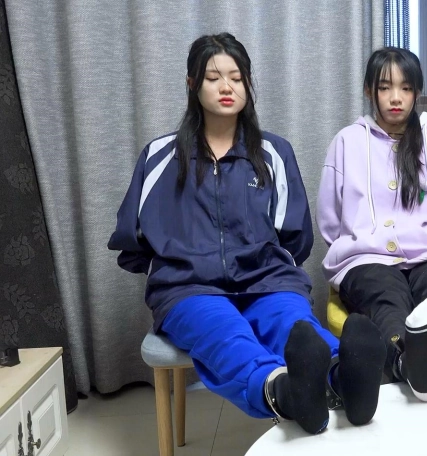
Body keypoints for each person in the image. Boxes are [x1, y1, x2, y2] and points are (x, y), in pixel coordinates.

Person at [108, 33, 386, 434]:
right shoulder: (160, 156)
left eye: (236, 78)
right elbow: (133, 238)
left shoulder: (274, 153)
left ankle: (346, 377)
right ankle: (283, 392)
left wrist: (268, 267)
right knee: (226, 335)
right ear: (192, 84)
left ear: (248, 83)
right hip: (189, 287)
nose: (226, 87)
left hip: (267, 279)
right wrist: (175, 264)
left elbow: (294, 236)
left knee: (293, 324)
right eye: (213, 78)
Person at [316, 47, 427, 402]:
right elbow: (330, 218)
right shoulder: (347, 141)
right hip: (367, 257)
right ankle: (411, 363)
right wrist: (356, 246)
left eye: (406, 88)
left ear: (417, 92)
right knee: (388, 303)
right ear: (369, 90)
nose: (396, 98)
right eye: (385, 87)